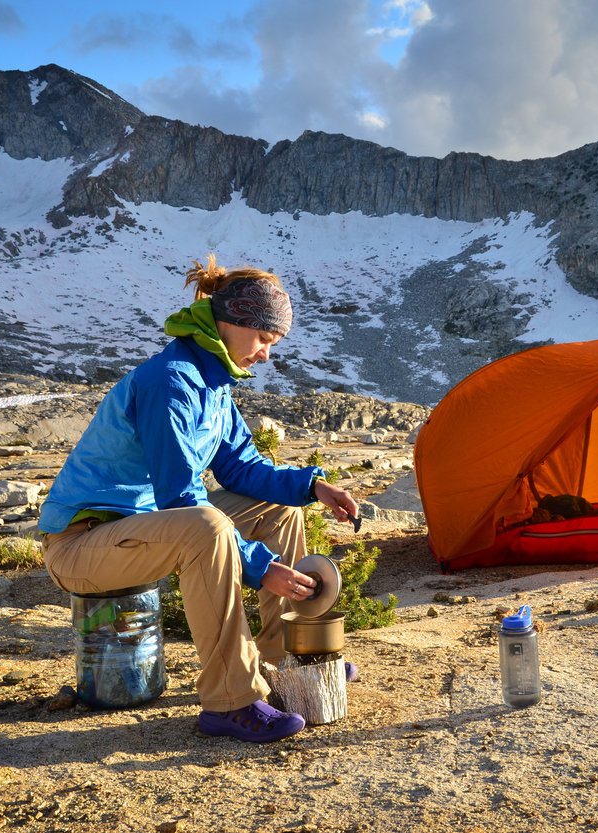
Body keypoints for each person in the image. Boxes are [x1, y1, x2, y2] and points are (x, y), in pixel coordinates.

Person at [37, 255, 359, 743]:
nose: (267, 355)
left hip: (139, 532)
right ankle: (231, 700)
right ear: (232, 323)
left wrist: (313, 486)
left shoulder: (213, 385)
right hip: (82, 546)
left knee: (280, 509)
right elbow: (179, 498)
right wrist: (260, 566)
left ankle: (284, 660)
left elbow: (242, 468)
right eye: (264, 340)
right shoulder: (171, 383)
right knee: (205, 526)